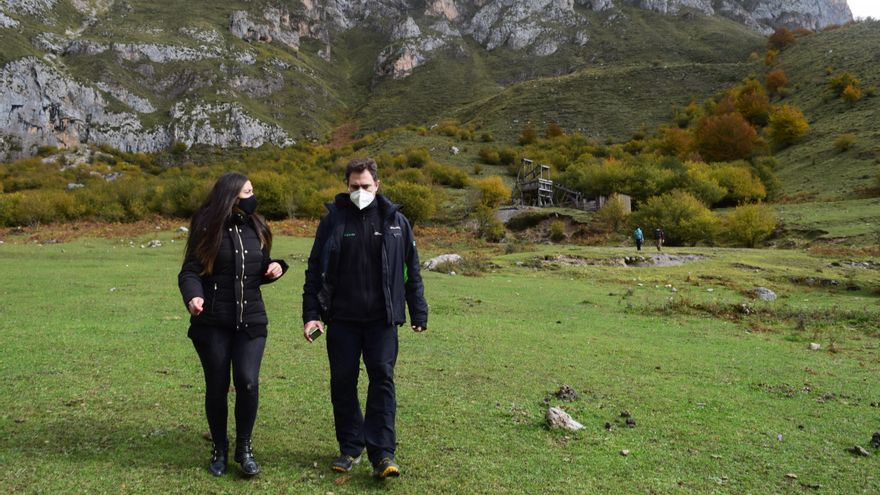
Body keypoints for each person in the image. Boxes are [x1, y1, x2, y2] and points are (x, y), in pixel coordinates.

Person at [302, 157, 428, 480]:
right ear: (347, 186)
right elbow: (315, 270)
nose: (360, 191)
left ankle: (383, 452)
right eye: (354, 186)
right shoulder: (332, 220)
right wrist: (311, 315)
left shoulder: (396, 221)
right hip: (341, 320)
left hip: (382, 320)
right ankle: (350, 447)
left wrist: (419, 310)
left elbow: (410, 268)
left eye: (366, 186)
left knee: (382, 380)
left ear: (378, 185)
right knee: (342, 382)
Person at [178, 172, 288, 477]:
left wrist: (276, 267)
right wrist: (193, 297)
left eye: (252, 190)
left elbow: (258, 268)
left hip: (251, 320)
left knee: (247, 381)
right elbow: (189, 272)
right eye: (246, 192)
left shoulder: (258, 226)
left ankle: (244, 448)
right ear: (230, 196)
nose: (252, 196)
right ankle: (220, 449)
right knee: (217, 386)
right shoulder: (206, 226)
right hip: (212, 321)